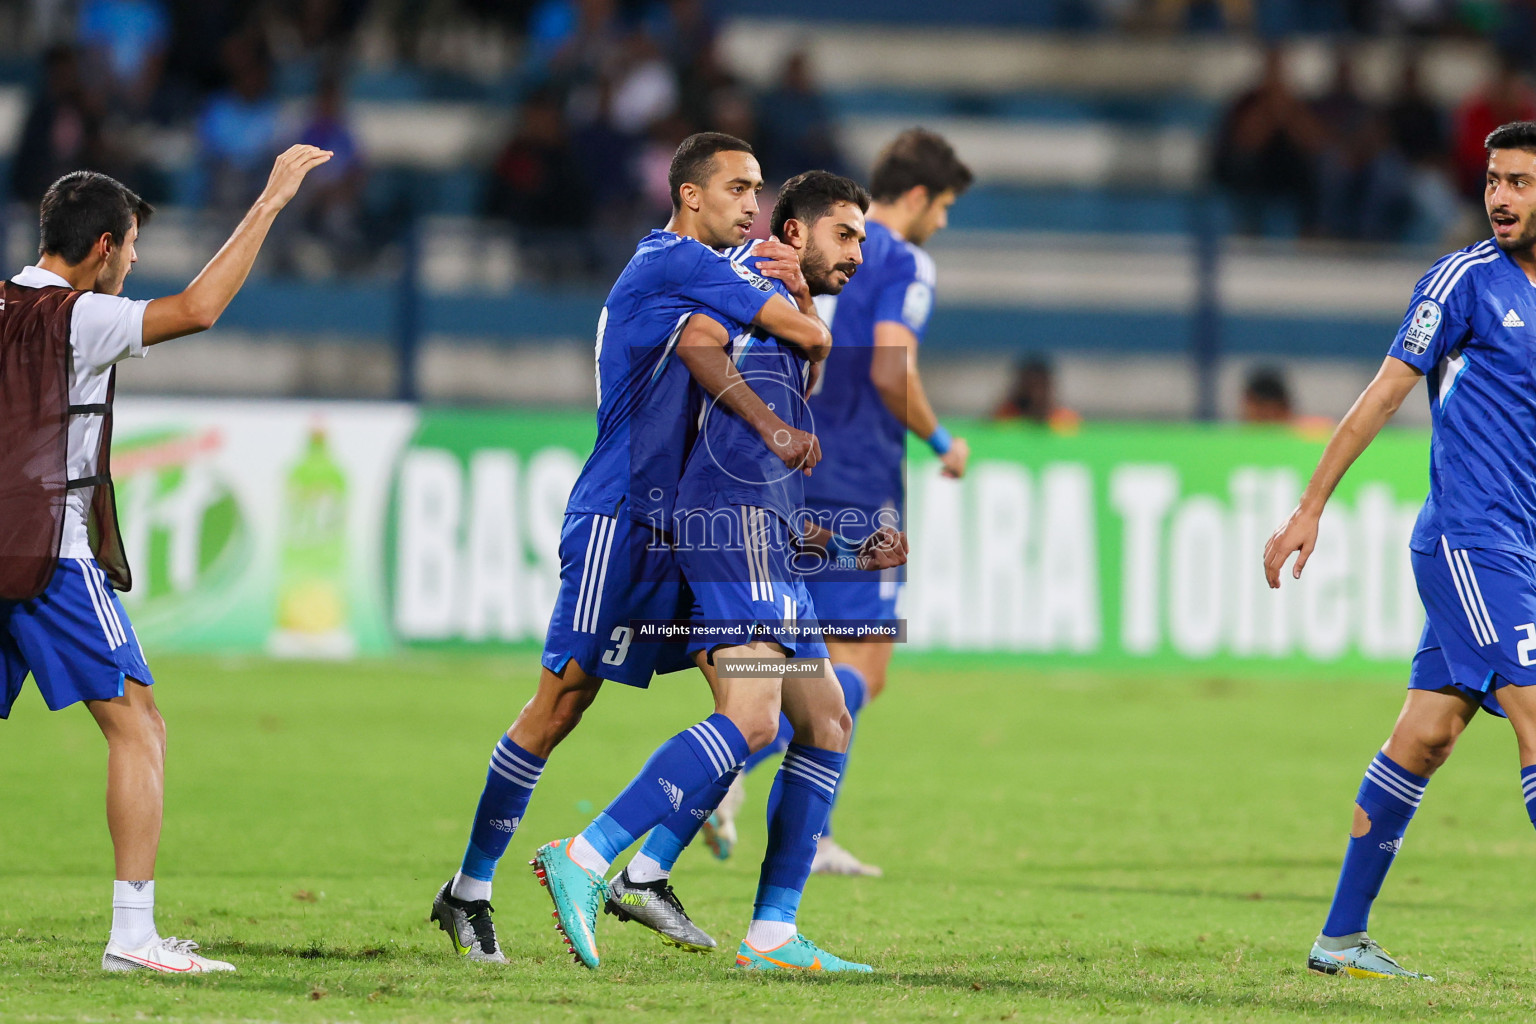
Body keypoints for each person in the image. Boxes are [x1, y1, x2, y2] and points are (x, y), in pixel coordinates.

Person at [426, 132, 837, 964]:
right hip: (620, 521)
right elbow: (796, 338)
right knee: (560, 707)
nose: (752, 204)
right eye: (737, 188)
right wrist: (793, 298)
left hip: (685, 524)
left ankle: (645, 874)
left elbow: (781, 354)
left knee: (757, 709)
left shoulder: (716, 278)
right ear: (689, 195)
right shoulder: (671, 262)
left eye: (759, 190)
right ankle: (469, 889)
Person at [0, 145, 333, 973]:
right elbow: (199, 308)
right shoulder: (78, 314)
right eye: (133, 246)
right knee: (138, 725)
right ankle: (133, 936)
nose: (136, 261)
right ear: (103, 248)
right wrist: (269, 202)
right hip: (45, 552)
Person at [594, 171, 899, 971]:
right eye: (845, 234)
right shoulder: (757, 269)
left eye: (864, 238)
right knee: (755, 717)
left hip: (766, 530)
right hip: (731, 530)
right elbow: (697, 343)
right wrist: (770, 427)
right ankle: (593, 856)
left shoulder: (793, 303)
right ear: (795, 233)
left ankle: (768, 932)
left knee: (825, 720)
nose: (858, 253)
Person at [1264, 119, 1536, 980]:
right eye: (1494, 179)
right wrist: (1310, 506)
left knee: (1426, 736)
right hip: (1470, 538)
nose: (1500, 196)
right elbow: (1384, 394)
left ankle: (1340, 937)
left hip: (1520, 547)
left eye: (1521, 182)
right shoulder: (1464, 281)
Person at [706, 129, 973, 878]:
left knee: (799, 652)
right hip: (860, 480)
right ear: (918, 197)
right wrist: (942, 439)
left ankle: (787, 804)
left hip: (793, 472)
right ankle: (741, 772)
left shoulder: (813, 252)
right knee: (865, 666)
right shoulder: (904, 261)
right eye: (945, 206)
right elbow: (892, 370)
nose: (943, 223)